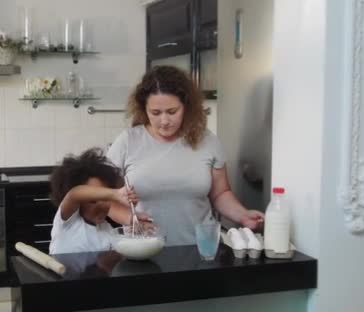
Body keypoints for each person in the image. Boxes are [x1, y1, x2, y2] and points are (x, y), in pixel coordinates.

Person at [106, 65, 264, 246]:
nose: (164, 121)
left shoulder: (208, 141)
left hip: (200, 249)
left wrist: (242, 215)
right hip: (143, 249)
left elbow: (220, 193)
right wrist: (128, 218)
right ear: (144, 109)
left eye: (172, 112)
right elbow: (102, 199)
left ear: (186, 107)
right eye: (155, 113)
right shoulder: (128, 142)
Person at [48, 148, 139, 255]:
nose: (101, 205)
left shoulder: (107, 229)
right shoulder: (67, 223)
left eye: (105, 199)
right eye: (92, 201)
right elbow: (75, 193)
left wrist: (133, 224)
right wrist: (115, 194)